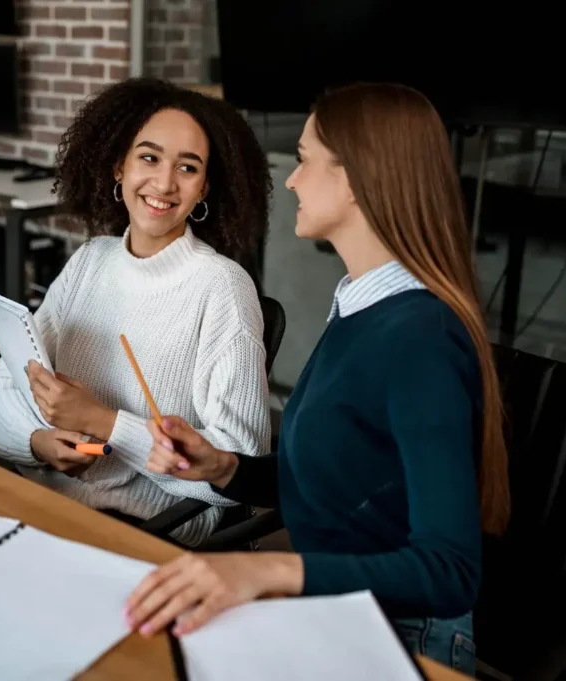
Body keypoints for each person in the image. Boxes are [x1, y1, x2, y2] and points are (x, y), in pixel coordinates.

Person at [123, 82, 510, 674]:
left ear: (355, 179)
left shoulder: (420, 340)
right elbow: (339, 483)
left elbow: (450, 572)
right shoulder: (360, 303)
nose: (292, 180)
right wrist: (223, 468)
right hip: (338, 609)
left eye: (303, 160)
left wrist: (268, 568)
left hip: (406, 639)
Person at [0, 78, 273, 546]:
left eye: (188, 167)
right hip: (39, 500)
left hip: (144, 529)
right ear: (119, 166)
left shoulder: (222, 288)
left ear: (205, 188)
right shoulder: (90, 261)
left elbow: (238, 464)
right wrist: (37, 442)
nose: (164, 183)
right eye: (149, 157)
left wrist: (104, 422)